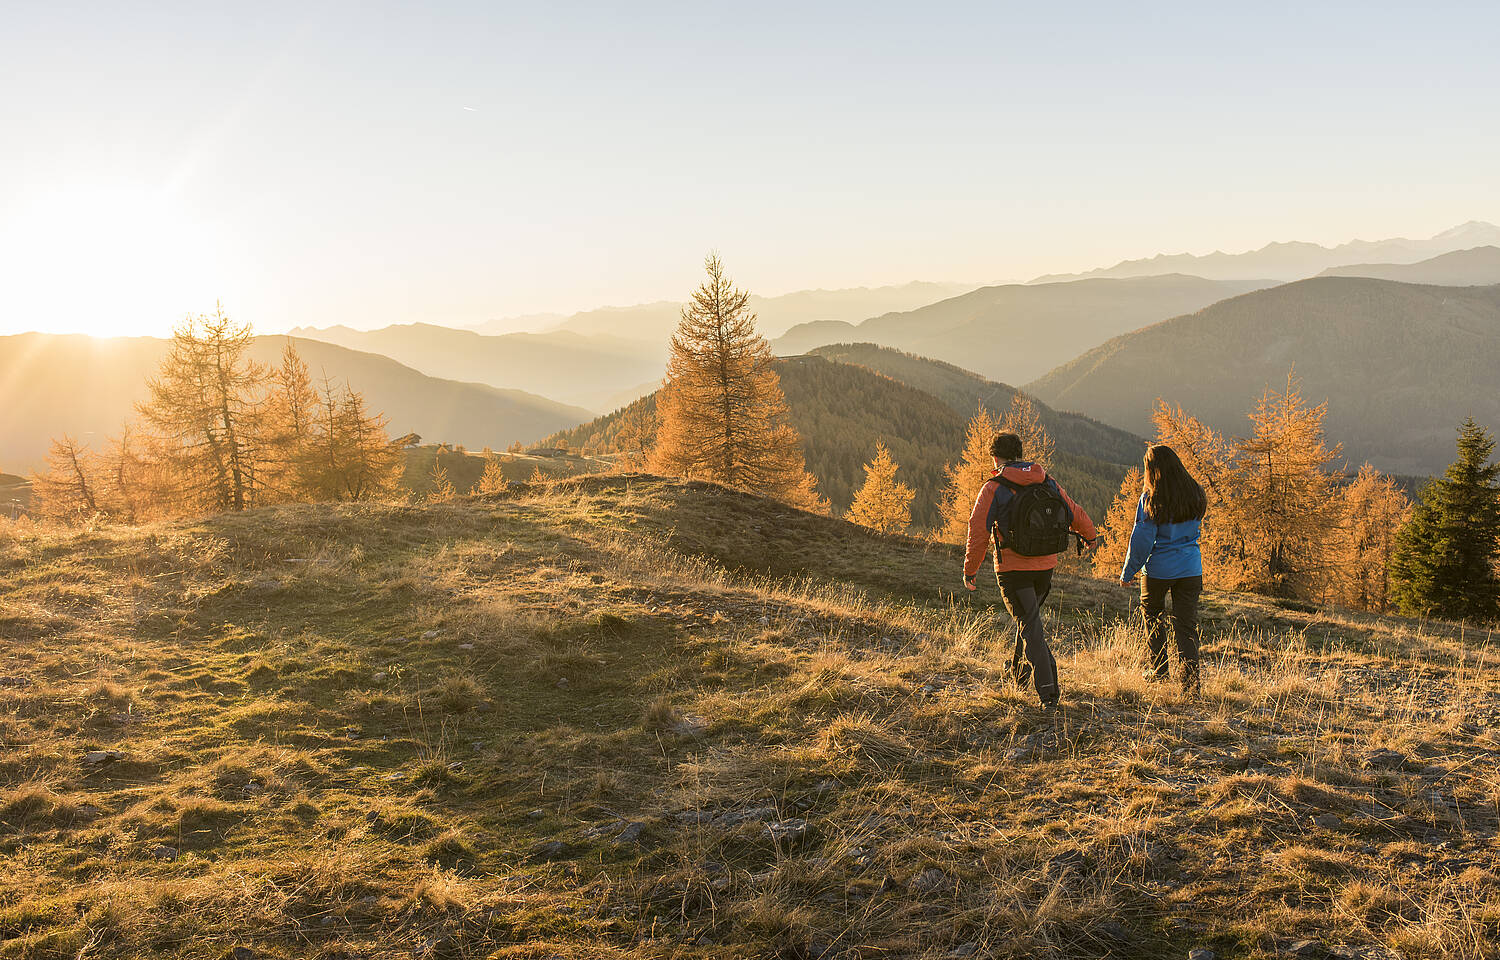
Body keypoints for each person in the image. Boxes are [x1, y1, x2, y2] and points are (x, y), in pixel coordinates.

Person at [964, 432, 1098, 712]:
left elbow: (978, 530)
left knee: (1030, 627)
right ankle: (1017, 672)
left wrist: (970, 570)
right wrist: (1090, 536)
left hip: (1014, 569)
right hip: (1045, 567)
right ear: (1020, 454)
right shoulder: (1046, 480)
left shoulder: (993, 487)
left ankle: (1049, 694)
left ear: (995, 457)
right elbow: (1073, 510)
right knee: (1029, 620)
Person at [1119, 444, 1208, 695]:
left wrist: (1129, 572)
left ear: (1152, 470)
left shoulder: (1151, 498)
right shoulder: (1196, 493)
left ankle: (1159, 671)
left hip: (1158, 570)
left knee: (1153, 617)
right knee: (1186, 626)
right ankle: (1191, 686)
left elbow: (1142, 539)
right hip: (1191, 568)